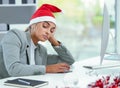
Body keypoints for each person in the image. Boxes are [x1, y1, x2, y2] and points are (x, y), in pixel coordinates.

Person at [0, 4, 74, 79]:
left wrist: (52, 39)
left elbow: (68, 61)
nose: (48, 32)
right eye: (45, 26)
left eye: (52, 30)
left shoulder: (41, 51)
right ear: (33, 25)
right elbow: (14, 69)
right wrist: (47, 68)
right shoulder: (15, 36)